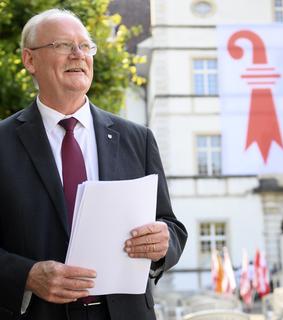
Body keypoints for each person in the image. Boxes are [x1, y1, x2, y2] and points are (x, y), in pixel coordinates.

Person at [0, 8, 187, 320]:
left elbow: (171, 227)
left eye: (85, 46)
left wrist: (164, 243)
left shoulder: (137, 139)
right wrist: (27, 275)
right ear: (29, 60)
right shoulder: (3, 143)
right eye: (62, 45)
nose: (78, 54)